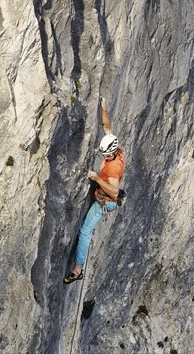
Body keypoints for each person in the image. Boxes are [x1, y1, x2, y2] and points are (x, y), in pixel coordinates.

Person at [64, 96, 125, 284]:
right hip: (102, 196)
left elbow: (114, 192)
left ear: (113, 152)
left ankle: (78, 269)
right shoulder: (114, 146)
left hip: (105, 202)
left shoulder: (114, 167)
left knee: (85, 231)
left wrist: (97, 178)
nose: (104, 157)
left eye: (106, 155)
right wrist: (104, 107)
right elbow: (107, 127)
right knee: (85, 230)